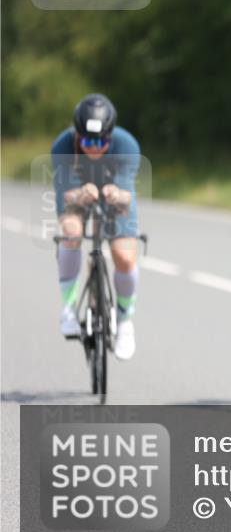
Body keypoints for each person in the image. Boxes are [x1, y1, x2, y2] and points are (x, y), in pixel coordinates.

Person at [52, 93, 142, 360]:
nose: (94, 148)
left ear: (111, 136)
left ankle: (125, 321)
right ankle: (68, 309)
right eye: (88, 141)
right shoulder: (63, 146)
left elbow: (127, 197)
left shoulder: (127, 145)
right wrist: (81, 194)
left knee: (125, 257)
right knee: (71, 231)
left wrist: (116, 193)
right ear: (77, 136)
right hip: (78, 193)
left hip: (114, 196)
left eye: (101, 141)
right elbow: (65, 195)